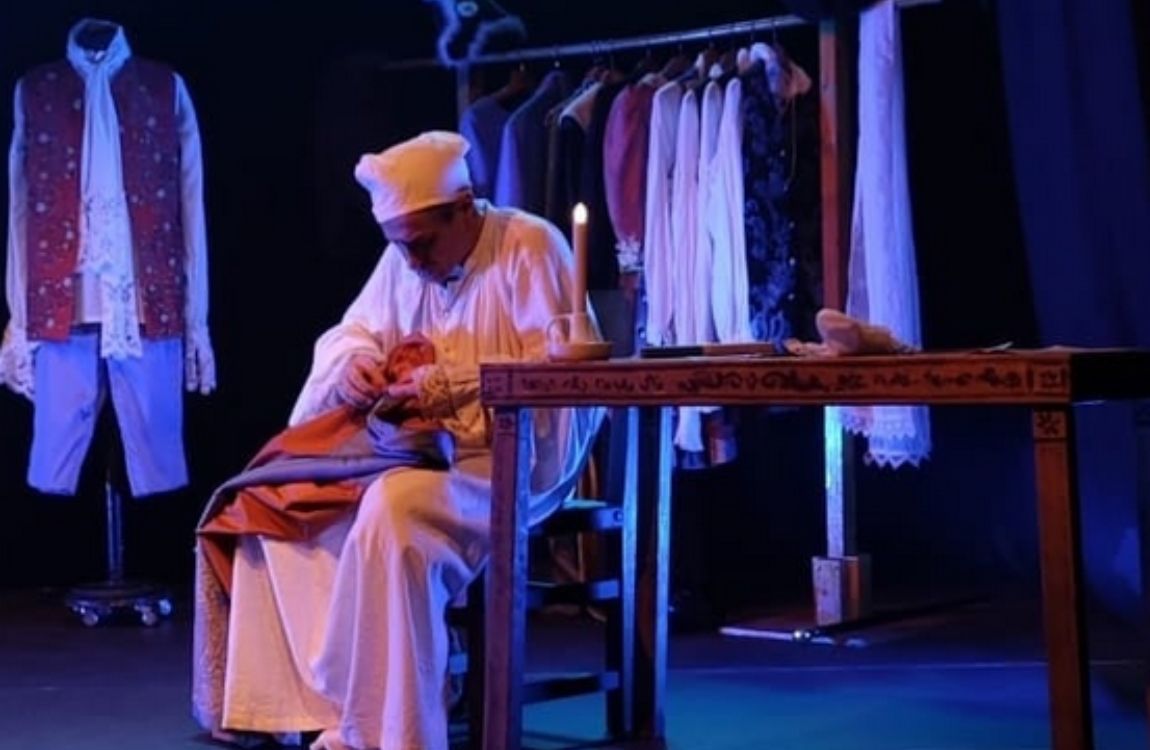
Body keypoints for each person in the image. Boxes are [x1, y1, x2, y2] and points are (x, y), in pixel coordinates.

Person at [192, 130, 602, 750]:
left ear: (463, 208)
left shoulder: (530, 247)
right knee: (278, 510)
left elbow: (557, 378)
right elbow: (355, 329)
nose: (410, 262)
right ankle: (329, 715)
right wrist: (353, 364)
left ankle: (398, 734)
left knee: (391, 510)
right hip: (414, 456)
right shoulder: (404, 258)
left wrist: (450, 387)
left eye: (421, 243)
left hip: (506, 461)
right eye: (399, 246)